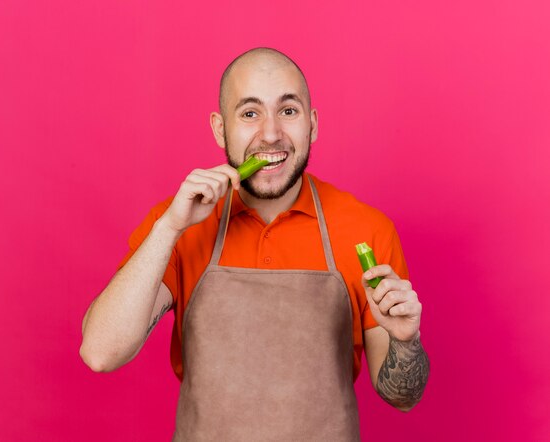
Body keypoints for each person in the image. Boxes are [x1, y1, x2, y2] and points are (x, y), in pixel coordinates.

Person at [80, 47, 429, 441]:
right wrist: (169, 228)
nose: (270, 134)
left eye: (288, 111)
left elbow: (402, 397)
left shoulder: (367, 229)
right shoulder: (179, 226)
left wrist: (406, 340)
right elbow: (100, 353)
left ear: (312, 124)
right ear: (219, 128)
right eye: (249, 113)